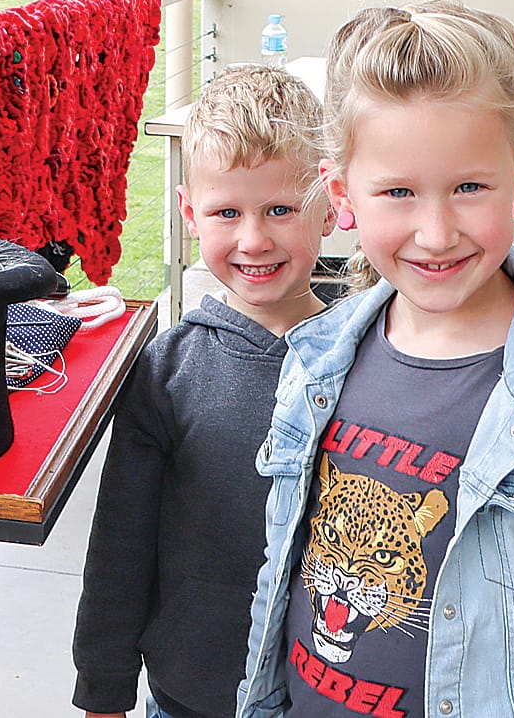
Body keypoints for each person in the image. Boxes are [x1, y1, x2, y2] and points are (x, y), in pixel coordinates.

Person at [237, 0, 514, 717]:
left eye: (468, 187)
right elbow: (281, 577)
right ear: (341, 195)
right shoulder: (316, 356)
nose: (434, 234)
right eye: (397, 193)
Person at [74, 66, 332, 718]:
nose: (253, 239)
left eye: (280, 209)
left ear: (330, 201)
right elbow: (119, 547)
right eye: (226, 213)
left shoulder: (377, 356)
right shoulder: (165, 371)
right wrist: (102, 690)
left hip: (336, 698)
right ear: (189, 214)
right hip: (190, 696)